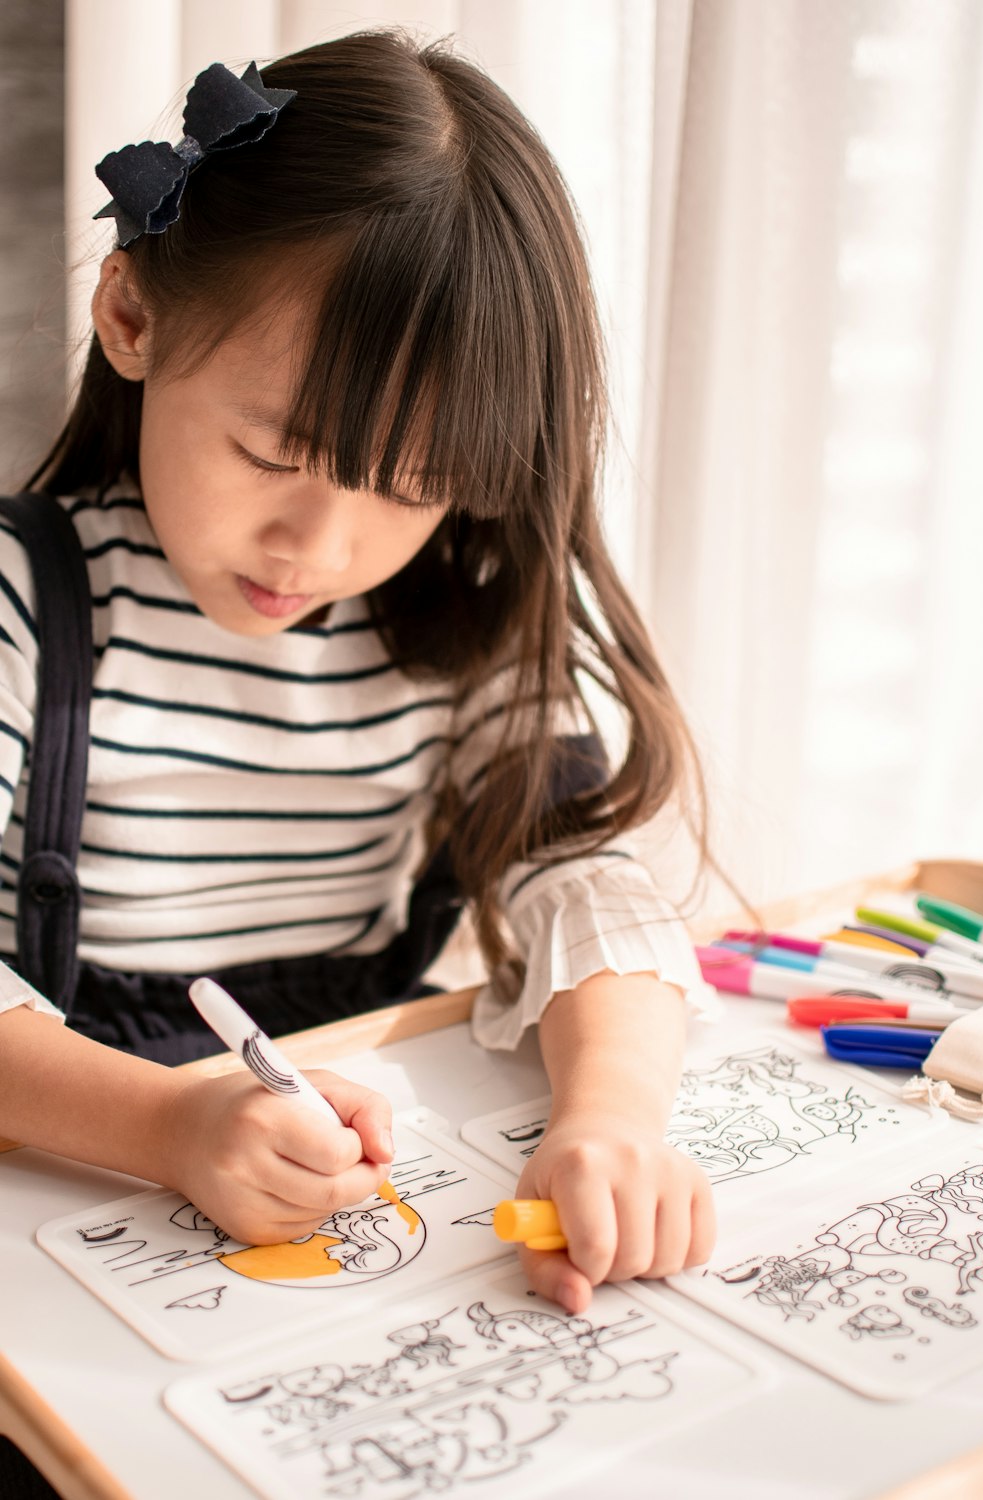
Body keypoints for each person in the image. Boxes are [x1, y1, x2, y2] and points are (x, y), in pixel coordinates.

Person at [0, 31, 718, 1322]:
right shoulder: (24, 606)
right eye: (277, 454)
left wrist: (613, 1113)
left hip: (335, 1226)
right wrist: (170, 1124)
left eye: (412, 490)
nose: (320, 549)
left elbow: (578, 878)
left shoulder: (457, 615)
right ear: (131, 314)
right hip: (64, 1223)